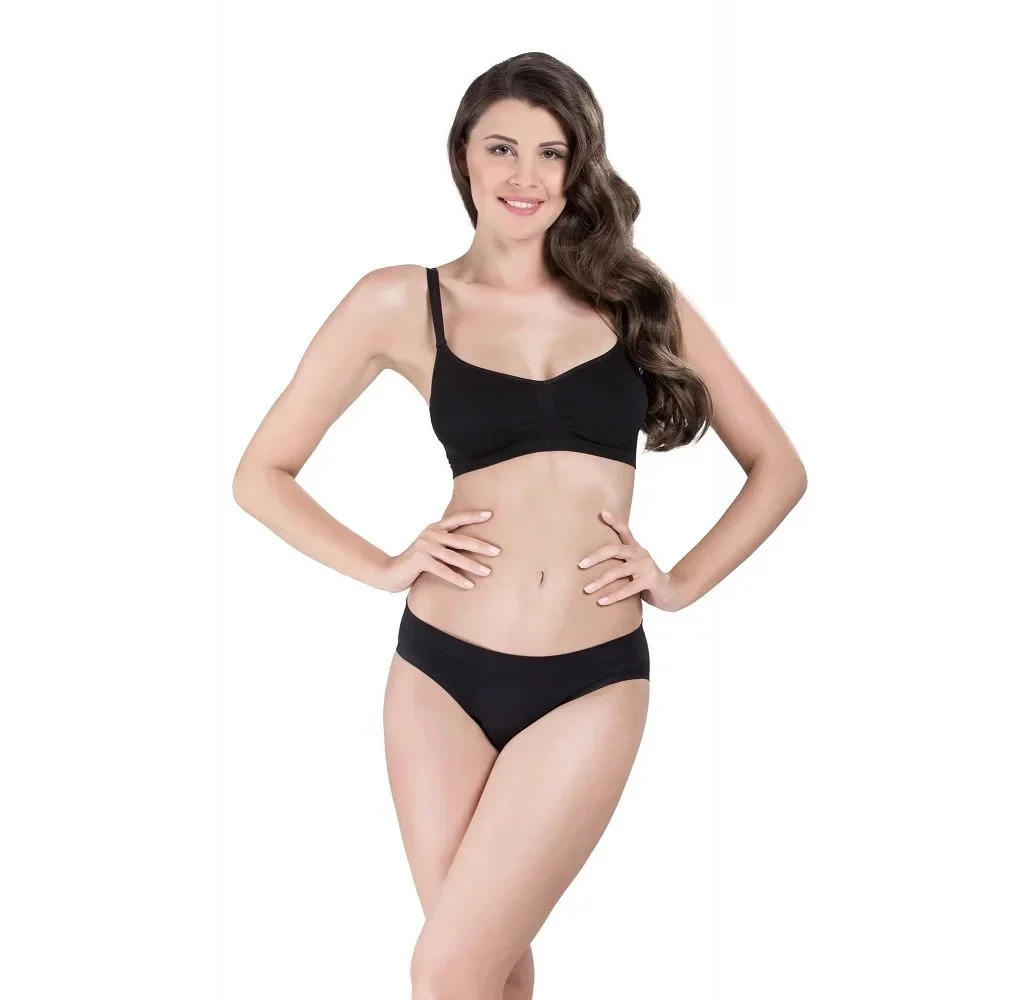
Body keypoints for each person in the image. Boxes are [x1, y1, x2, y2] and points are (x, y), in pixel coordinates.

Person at [232, 50, 806, 1000]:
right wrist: (383, 564)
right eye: (501, 148)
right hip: (438, 675)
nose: (525, 175)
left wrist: (681, 582)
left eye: (552, 152)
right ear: (462, 156)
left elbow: (777, 468)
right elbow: (261, 474)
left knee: (446, 970)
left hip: (590, 681)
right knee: (488, 971)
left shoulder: (637, 301)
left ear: (579, 167)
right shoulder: (399, 301)